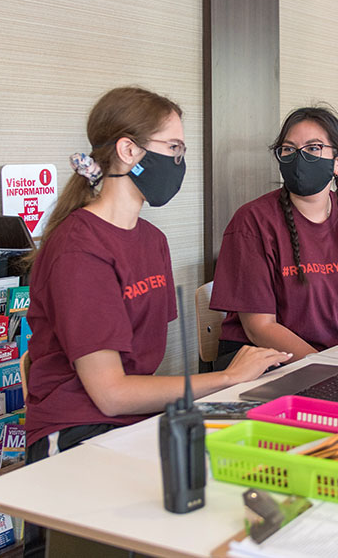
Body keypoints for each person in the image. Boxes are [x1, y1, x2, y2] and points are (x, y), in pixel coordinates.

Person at [23, 87, 289, 463]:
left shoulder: (152, 241)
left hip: (140, 422)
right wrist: (227, 377)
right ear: (129, 151)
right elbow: (111, 394)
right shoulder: (78, 249)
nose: (180, 162)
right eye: (174, 148)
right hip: (79, 431)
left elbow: (142, 368)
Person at [210, 106, 338, 369]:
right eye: (288, 149)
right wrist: (327, 366)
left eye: (313, 148)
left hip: (337, 363)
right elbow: (260, 328)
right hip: (267, 364)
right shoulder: (252, 221)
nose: (299, 158)